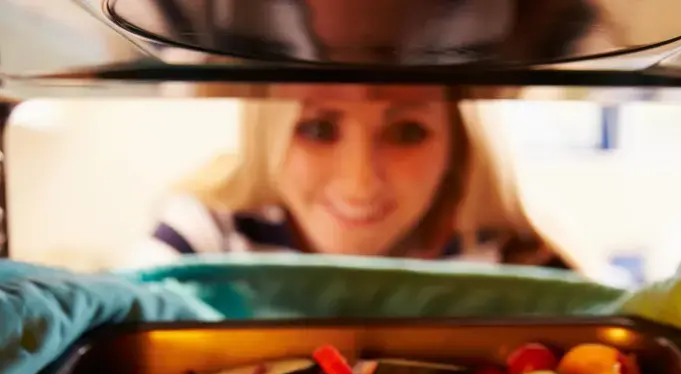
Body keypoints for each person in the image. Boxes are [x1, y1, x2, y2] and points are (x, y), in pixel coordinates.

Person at [134, 84, 574, 269]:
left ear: (456, 142)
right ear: (267, 132)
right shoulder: (207, 233)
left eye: (407, 132)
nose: (359, 184)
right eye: (318, 129)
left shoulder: (519, 259)